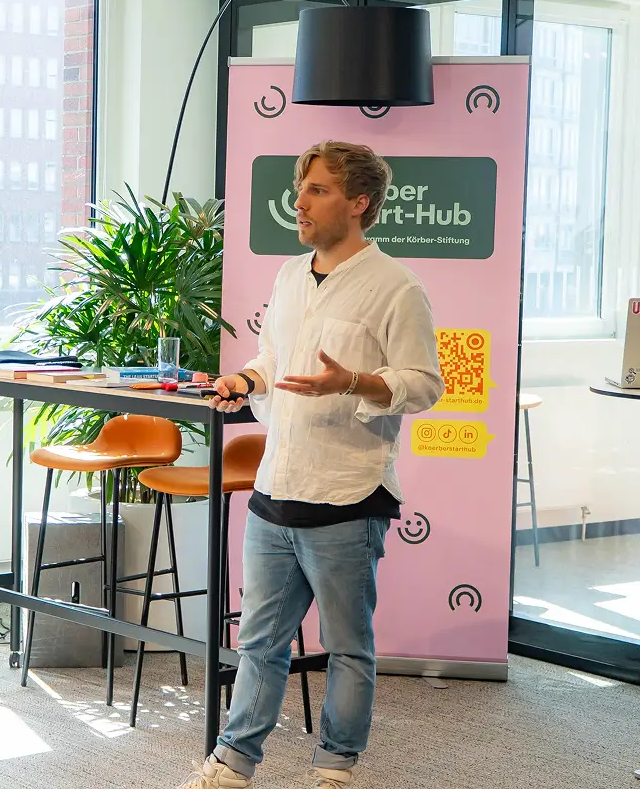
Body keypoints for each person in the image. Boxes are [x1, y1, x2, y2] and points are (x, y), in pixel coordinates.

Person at [180, 141, 445, 789]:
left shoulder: (397, 288)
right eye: (301, 189)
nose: (298, 202)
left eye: (318, 190)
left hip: (348, 497)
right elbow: (274, 358)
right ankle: (232, 765)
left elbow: (425, 383)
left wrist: (354, 381)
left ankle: (333, 771)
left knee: (348, 649)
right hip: (277, 489)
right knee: (259, 644)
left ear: (359, 202)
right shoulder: (288, 277)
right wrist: (244, 379)